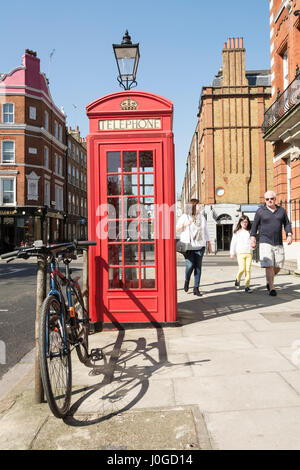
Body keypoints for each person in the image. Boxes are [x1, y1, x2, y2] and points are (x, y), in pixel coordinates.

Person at [250, 190, 293, 296]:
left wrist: (289, 234)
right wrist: (253, 238)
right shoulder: (260, 211)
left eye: (271, 199)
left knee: (278, 266)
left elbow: (287, 224)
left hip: (278, 241)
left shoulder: (281, 211)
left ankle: (269, 280)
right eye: (267, 199)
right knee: (269, 265)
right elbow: (254, 226)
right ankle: (272, 288)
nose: (269, 201)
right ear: (265, 200)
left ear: (275, 199)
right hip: (265, 241)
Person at [176, 199, 212, 296]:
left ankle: (196, 288)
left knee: (198, 267)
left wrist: (209, 244)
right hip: (189, 246)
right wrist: (186, 224)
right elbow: (177, 228)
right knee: (190, 265)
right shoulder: (185, 216)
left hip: (200, 246)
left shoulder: (202, 217)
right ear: (194, 206)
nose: (201, 206)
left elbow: (206, 231)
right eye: (199, 204)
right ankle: (187, 280)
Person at [230, 215, 253, 293]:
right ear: (240, 222)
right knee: (242, 269)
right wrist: (232, 252)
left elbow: (253, 242)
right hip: (240, 253)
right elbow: (233, 243)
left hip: (249, 253)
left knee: (248, 270)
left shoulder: (250, 231)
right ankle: (238, 279)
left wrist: (253, 247)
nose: (245, 223)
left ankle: (247, 286)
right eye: (243, 222)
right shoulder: (237, 232)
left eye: (246, 222)